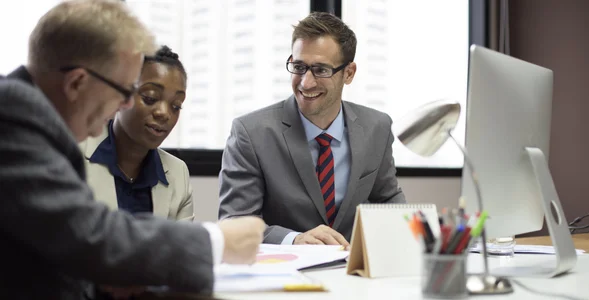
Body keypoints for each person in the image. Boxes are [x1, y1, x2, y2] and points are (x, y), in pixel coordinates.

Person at [0, 1, 264, 299]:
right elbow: (87, 235)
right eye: (127, 92)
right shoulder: (14, 114)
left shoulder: (27, 116)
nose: (126, 105)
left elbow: (52, 253)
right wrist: (217, 241)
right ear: (76, 83)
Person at [218, 12, 406, 247]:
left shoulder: (377, 127)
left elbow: (388, 200)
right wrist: (294, 239)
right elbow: (235, 222)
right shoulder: (250, 133)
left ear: (349, 73)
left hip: (351, 272)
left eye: (321, 70)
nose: (306, 82)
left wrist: (421, 234)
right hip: (284, 273)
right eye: (299, 67)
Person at [80, 45, 194, 221]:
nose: (164, 113)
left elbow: (185, 247)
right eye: (150, 98)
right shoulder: (73, 155)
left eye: (176, 105)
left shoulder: (178, 174)